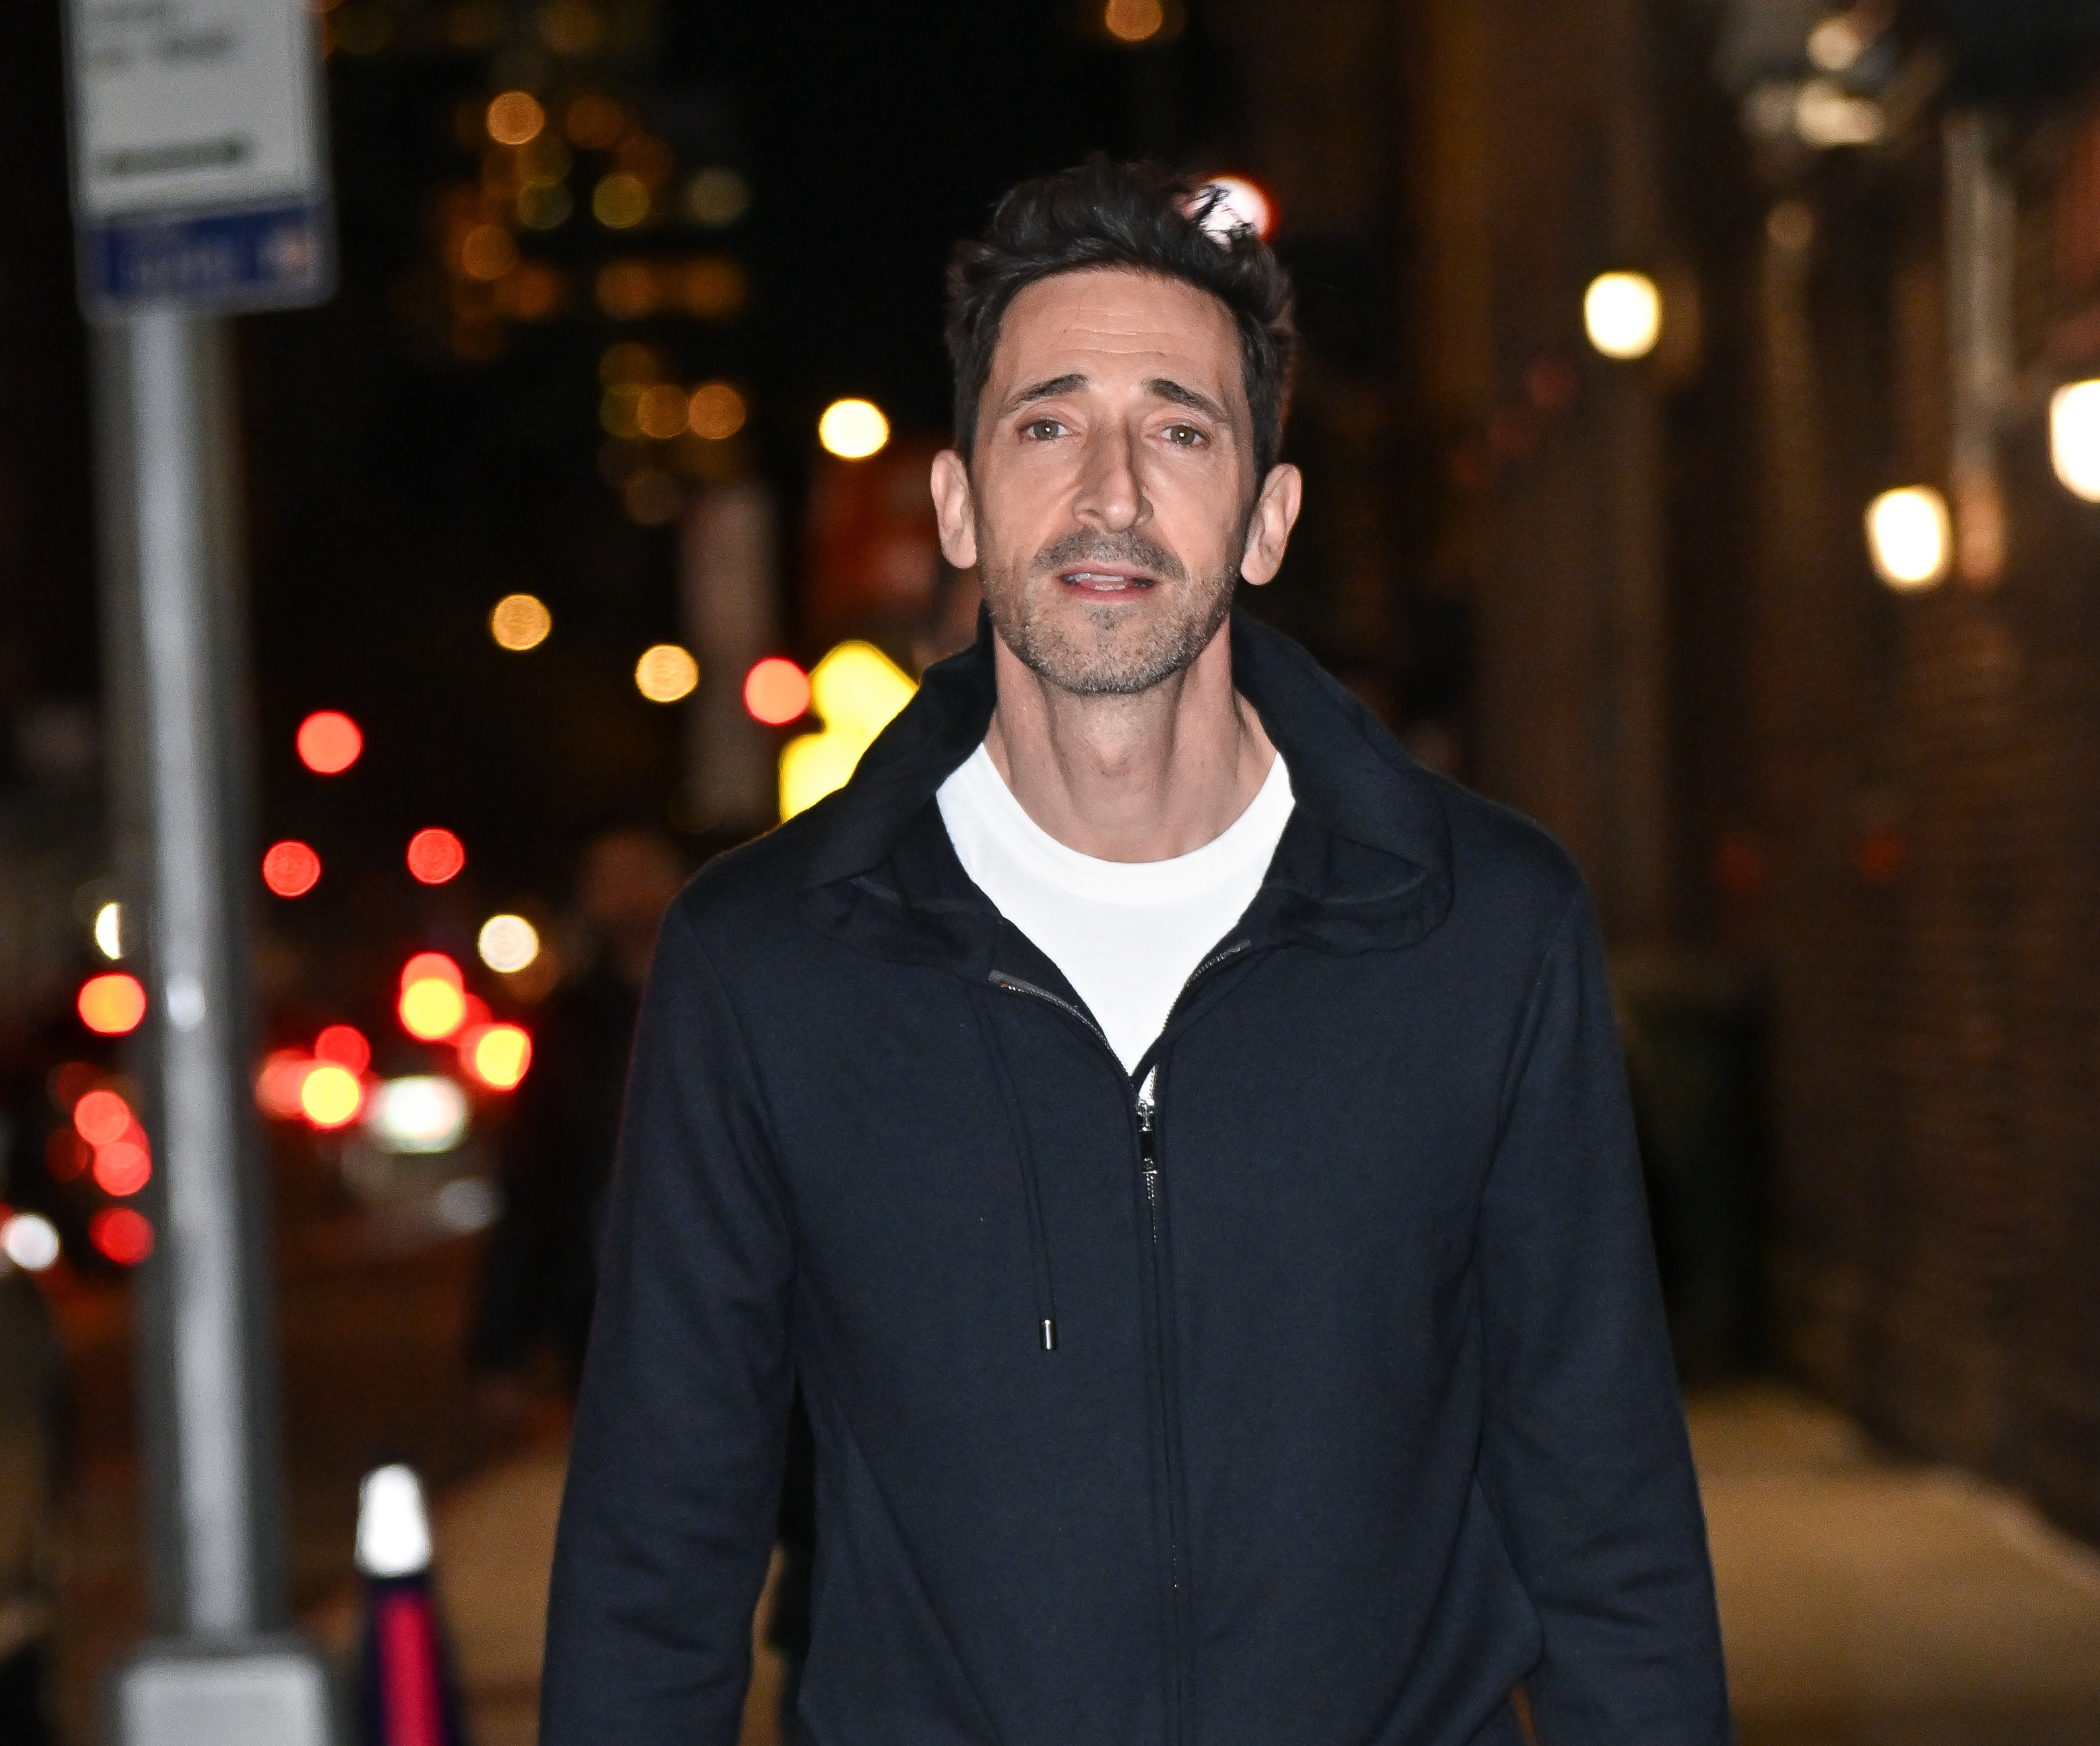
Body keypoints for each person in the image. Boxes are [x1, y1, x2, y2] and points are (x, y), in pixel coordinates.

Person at [541, 158, 1731, 1746]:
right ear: (960, 503)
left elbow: (1609, 1530)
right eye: (1047, 424)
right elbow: (654, 1562)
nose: (1109, 492)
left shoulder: (1483, 928)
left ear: (1264, 516)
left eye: (1179, 428)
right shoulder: (767, 967)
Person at [468, 824, 687, 1412]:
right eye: (608, 882)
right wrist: (501, 1347)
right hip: (598, 1316)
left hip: (717, 1304)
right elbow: (531, 1180)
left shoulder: (718, 1001)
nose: (625, 897)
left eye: (639, 876)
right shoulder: (570, 1026)